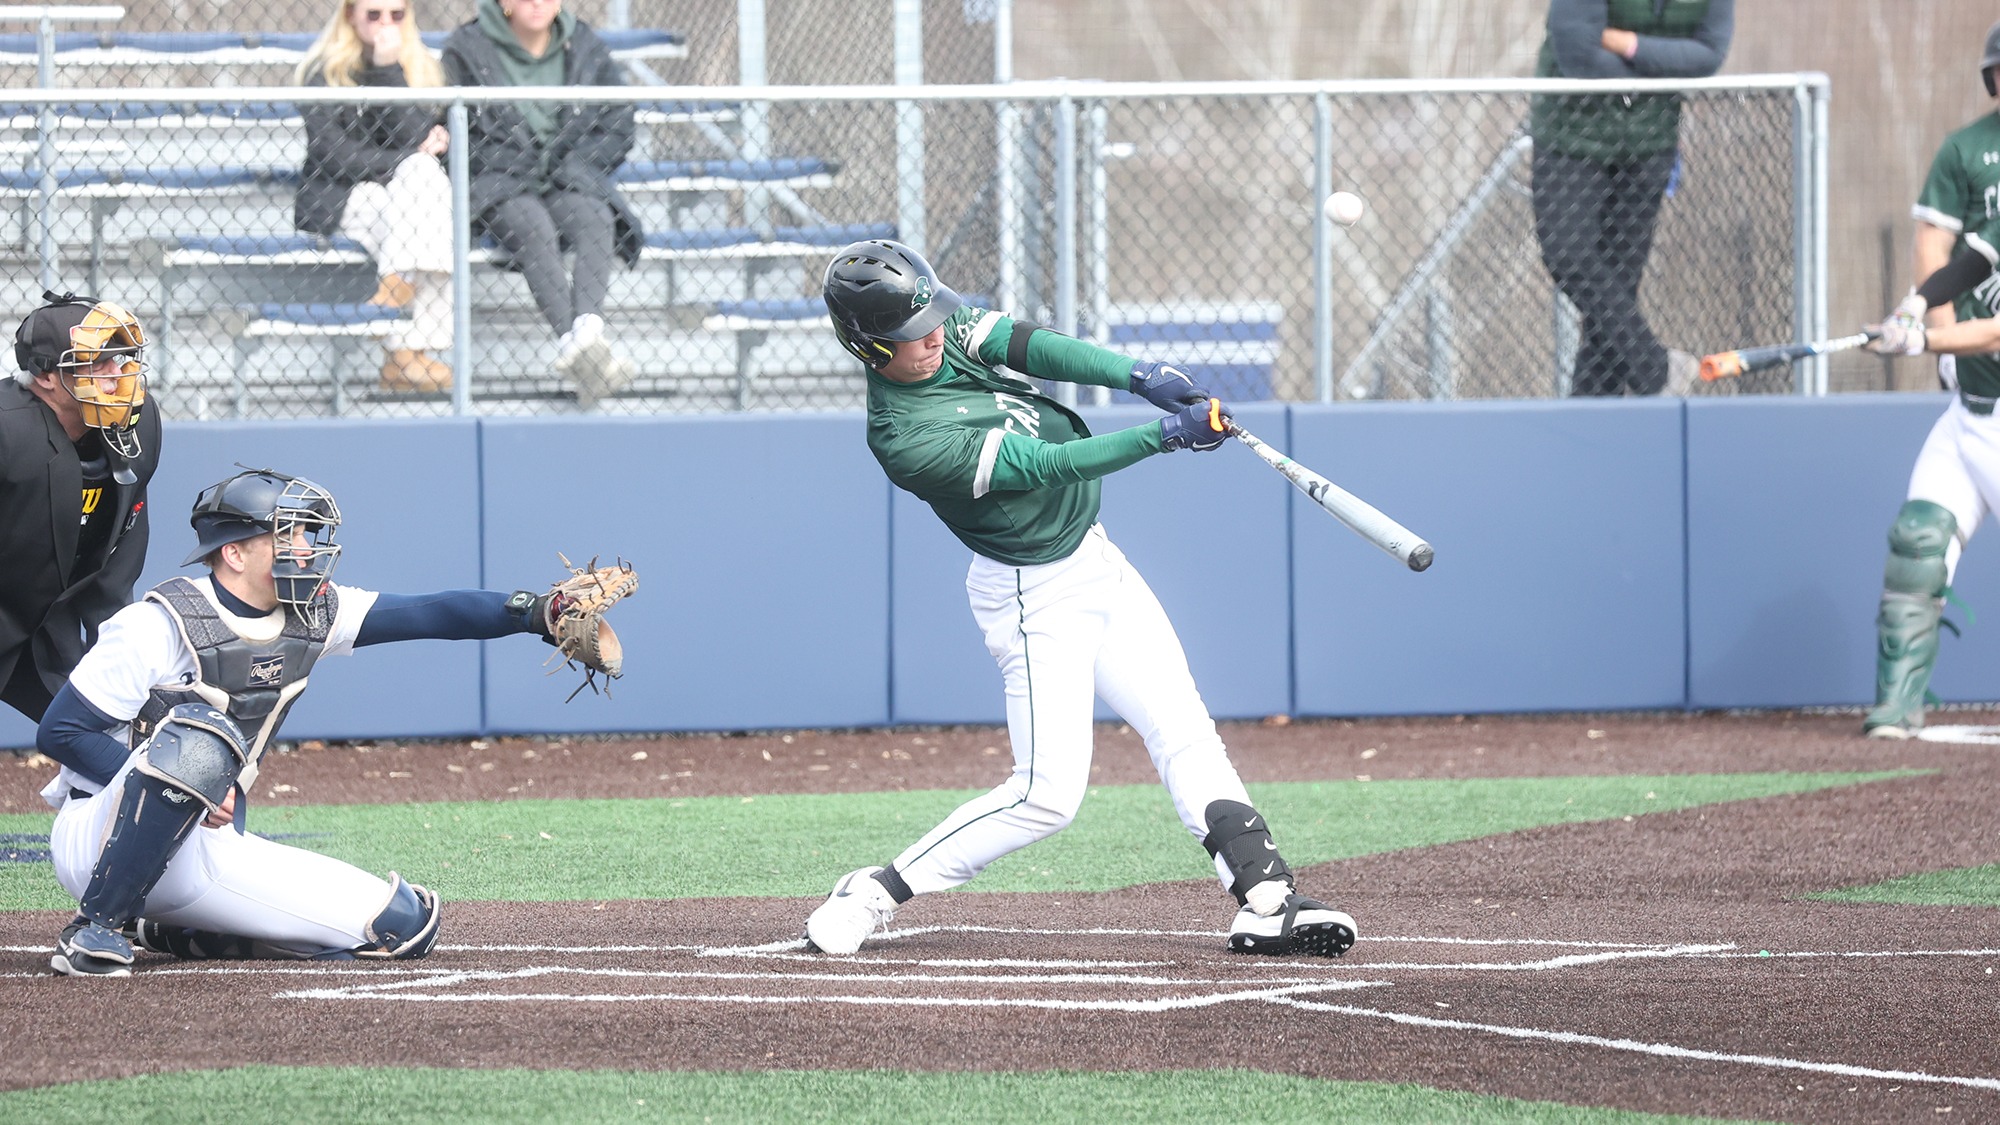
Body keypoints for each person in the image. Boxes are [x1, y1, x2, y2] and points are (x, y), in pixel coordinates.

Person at [802, 240, 1356, 960]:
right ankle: (873, 893)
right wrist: (1162, 435)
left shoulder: (943, 333)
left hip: (1094, 558)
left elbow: (1034, 346)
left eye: (933, 318)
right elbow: (1045, 464)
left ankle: (1267, 898)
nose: (934, 335)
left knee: (1183, 726)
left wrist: (1143, 376)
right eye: (911, 335)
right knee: (1046, 795)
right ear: (869, 347)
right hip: (1033, 595)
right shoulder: (905, 437)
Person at [36, 468, 636, 976]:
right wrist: (180, 784)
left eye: (306, 534)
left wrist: (536, 611)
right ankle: (96, 930)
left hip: (201, 852)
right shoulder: (156, 622)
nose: (305, 548)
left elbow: (429, 612)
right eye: (287, 535)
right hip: (99, 839)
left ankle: (173, 930)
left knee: (402, 924)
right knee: (197, 737)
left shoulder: (313, 611)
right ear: (235, 551)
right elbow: (62, 732)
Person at [1859, 23, 2000, 739]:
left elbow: (1998, 329)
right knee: (1919, 541)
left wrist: (1926, 339)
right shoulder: (1969, 154)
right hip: (1971, 410)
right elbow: (1970, 260)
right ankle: (1896, 706)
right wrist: (1914, 308)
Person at [1529, 0, 1735, 397]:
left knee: (1619, 286)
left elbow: (1707, 55)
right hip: (1570, 135)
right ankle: (1655, 369)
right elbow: (1578, 55)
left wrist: (1628, 44)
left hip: (1649, 141)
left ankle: (1594, 418)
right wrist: (1660, 70)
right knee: (1567, 253)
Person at [441, 0, 641, 410]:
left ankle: (585, 334)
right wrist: (508, 164)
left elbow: (617, 123)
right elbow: (453, 130)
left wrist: (574, 164)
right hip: (501, 182)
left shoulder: (584, 44)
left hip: (568, 176)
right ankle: (583, 350)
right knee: (534, 229)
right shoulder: (467, 47)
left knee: (596, 218)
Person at [0, 292, 159, 726]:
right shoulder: (8, 430)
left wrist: (118, 651)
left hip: (46, 617)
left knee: (122, 731)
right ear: (47, 376)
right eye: (98, 362)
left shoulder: (138, 424)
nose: (118, 375)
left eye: (124, 358)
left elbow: (120, 543)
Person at [295, 0, 456, 395]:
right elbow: (337, 158)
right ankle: (408, 354)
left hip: (407, 199)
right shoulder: (323, 74)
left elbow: (423, 147)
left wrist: (388, 71)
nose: (386, 23)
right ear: (350, 15)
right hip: (342, 197)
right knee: (421, 195)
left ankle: (396, 291)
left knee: (423, 178)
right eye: (374, 14)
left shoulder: (420, 71)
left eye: (396, 15)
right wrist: (408, 157)